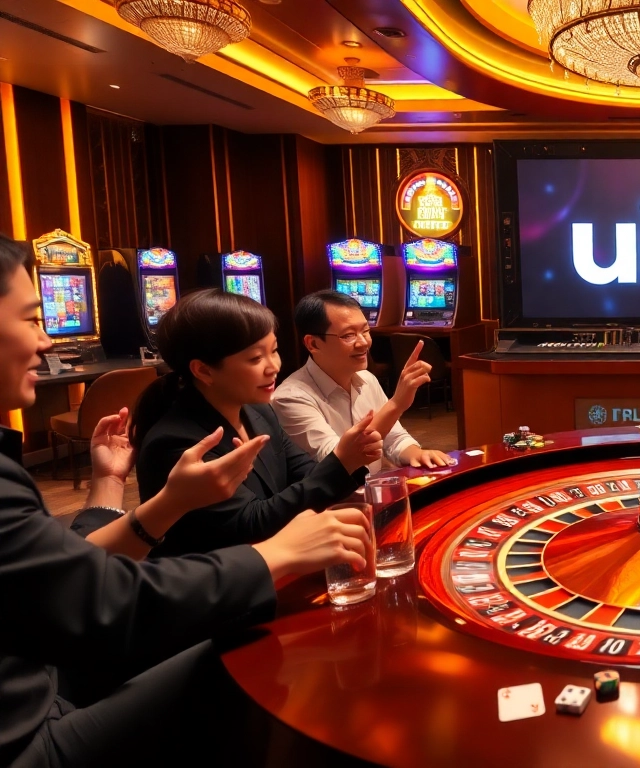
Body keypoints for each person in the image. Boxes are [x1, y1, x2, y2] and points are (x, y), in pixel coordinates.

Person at [0, 234, 373, 766]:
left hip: (52, 672)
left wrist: (111, 487)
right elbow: (103, 601)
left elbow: (69, 569)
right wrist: (277, 553)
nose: (45, 341)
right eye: (31, 319)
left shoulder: (261, 413)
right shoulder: (180, 438)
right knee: (267, 659)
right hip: (31, 734)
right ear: (203, 368)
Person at [134, 289, 384, 557]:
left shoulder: (259, 412)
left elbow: (306, 473)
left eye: (274, 351)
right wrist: (342, 461)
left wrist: (343, 464)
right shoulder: (177, 443)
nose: (273, 366)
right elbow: (251, 523)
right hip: (212, 587)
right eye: (256, 358)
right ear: (204, 370)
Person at [273, 290, 455, 472]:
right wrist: (397, 404)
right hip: (335, 500)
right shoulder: (290, 398)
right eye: (348, 335)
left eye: (365, 331)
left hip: (372, 492)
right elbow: (339, 464)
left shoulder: (367, 379)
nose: (364, 343)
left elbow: (395, 439)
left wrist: (417, 453)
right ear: (313, 344)